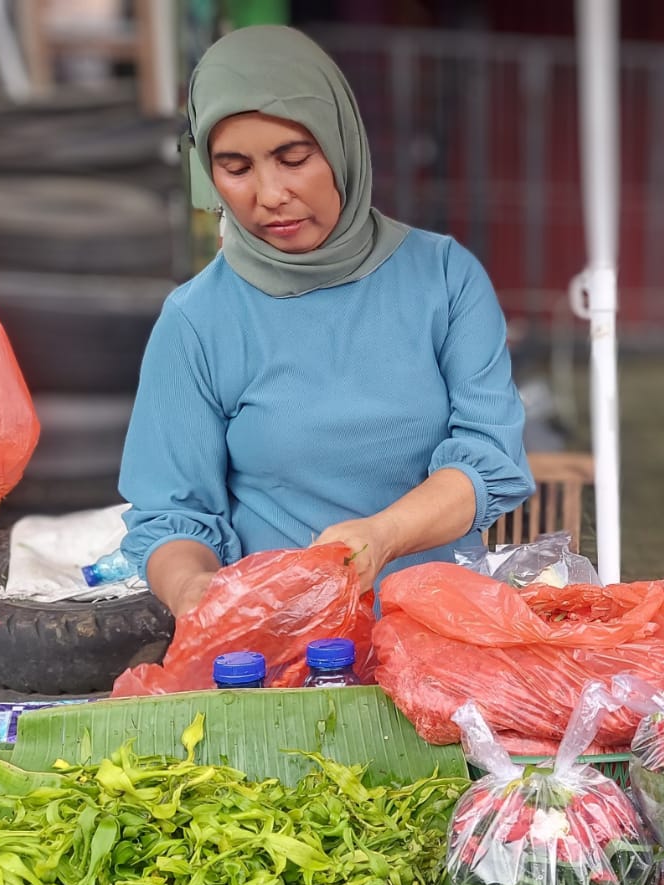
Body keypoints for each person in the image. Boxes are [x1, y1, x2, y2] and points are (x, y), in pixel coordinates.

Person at [119, 25, 535, 617]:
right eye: (235, 168)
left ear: (342, 144)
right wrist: (191, 589)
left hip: (443, 628)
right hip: (284, 644)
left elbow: (487, 458)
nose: (270, 194)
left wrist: (382, 536)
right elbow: (172, 515)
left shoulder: (443, 278)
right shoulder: (196, 321)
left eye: (294, 158)